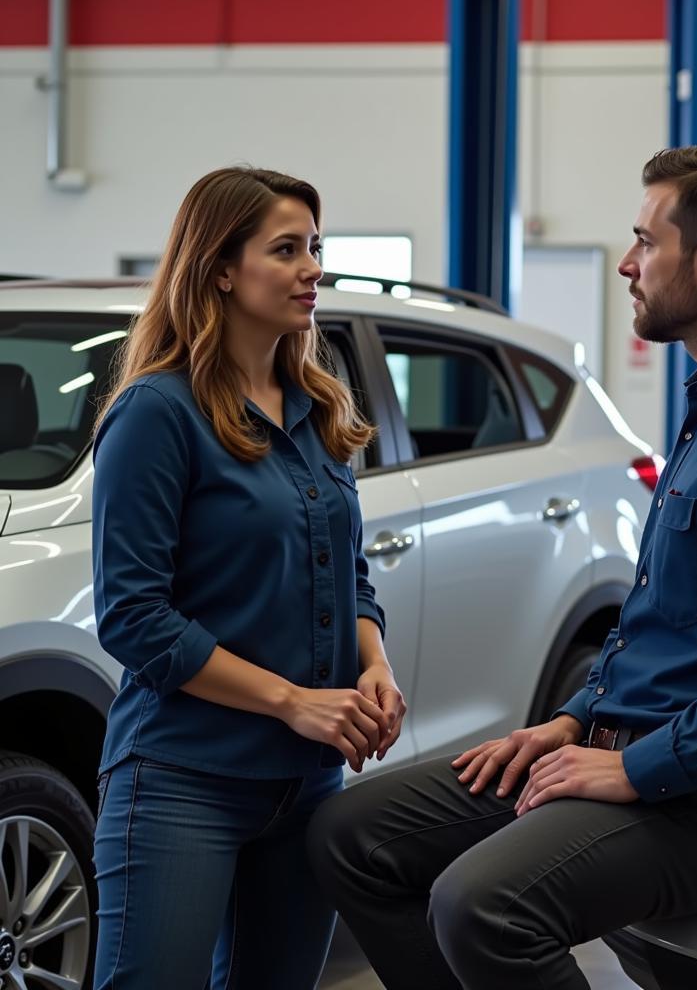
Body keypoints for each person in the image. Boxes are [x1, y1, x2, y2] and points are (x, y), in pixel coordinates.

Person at [306, 141, 697, 990]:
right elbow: (667, 627)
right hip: (612, 748)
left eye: (646, 241)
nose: (628, 264)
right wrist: (575, 720)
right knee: (350, 835)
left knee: (482, 903)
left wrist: (635, 768)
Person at [90, 166, 406, 990]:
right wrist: (292, 701)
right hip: (182, 779)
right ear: (221, 269)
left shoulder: (320, 407)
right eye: (287, 250)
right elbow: (131, 616)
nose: (314, 269)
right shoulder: (158, 414)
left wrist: (375, 667)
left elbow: (352, 581)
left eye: (316, 248)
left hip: (306, 785)